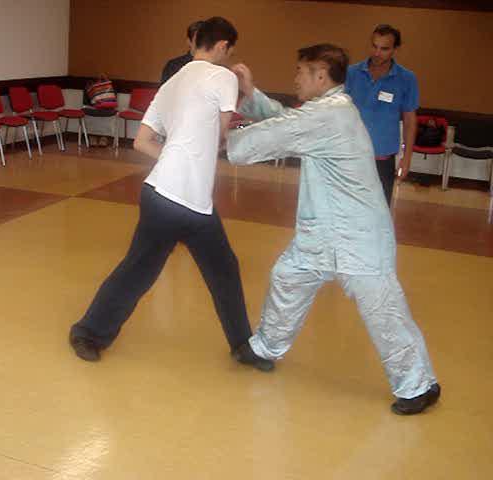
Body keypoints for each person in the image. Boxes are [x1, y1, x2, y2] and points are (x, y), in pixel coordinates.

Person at [226, 44, 440, 414]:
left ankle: (418, 385)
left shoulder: (331, 115)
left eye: (300, 72)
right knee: (287, 278)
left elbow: (272, 135)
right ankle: (264, 348)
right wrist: (250, 94)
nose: (295, 79)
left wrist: (215, 131)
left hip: (358, 237)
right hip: (323, 233)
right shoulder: (323, 112)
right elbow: (285, 121)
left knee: (383, 310)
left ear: (320, 75)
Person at [69, 17, 272, 372]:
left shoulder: (172, 82)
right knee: (205, 270)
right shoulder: (223, 77)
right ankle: (87, 332)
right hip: (181, 200)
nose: (229, 57)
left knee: (155, 269)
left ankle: (242, 345)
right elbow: (223, 135)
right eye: (230, 50)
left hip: (168, 194)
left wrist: (177, 157)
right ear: (222, 46)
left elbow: (141, 141)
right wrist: (242, 89)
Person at [345, 24, 419, 206]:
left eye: (384, 49)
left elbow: (410, 120)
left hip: (383, 159)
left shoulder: (406, 79)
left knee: (379, 211)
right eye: (374, 46)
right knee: (347, 211)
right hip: (350, 156)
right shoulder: (352, 73)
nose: (377, 53)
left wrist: (407, 158)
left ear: (395, 49)